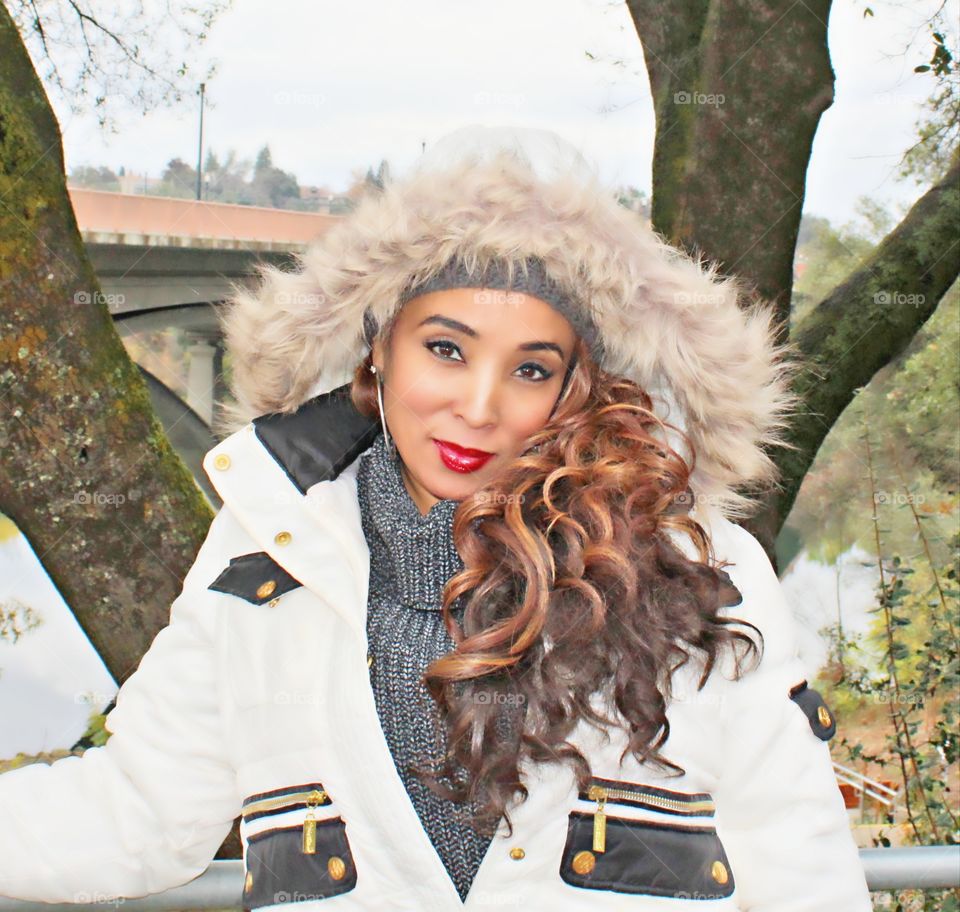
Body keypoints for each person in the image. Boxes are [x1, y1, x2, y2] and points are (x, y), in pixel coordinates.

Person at [0, 125, 873, 911]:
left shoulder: (694, 568)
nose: (478, 407)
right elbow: (135, 814)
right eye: (446, 350)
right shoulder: (265, 556)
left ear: (577, 387)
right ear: (379, 347)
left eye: (531, 370)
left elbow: (799, 868)